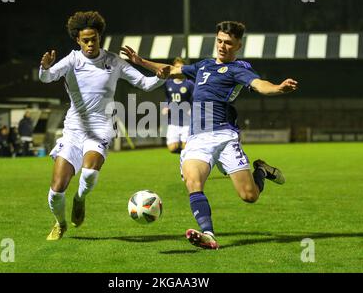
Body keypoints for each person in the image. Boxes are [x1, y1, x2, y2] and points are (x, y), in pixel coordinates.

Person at [121, 21, 298, 249]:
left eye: (229, 43)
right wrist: (141, 62)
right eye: (220, 41)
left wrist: (278, 88)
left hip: (224, 135)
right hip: (197, 138)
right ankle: (208, 234)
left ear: (238, 45)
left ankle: (261, 170)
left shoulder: (238, 70)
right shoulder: (203, 65)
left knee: (249, 196)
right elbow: (170, 70)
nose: (223, 46)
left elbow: (259, 84)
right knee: (193, 182)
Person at [39, 11, 166, 240]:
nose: (90, 44)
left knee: (88, 173)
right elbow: (46, 78)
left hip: (101, 127)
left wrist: (160, 76)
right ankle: (60, 223)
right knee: (57, 189)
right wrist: (45, 68)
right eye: (85, 40)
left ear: (100, 38)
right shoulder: (72, 61)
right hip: (74, 129)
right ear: (77, 40)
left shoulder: (113, 61)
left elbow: (144, 84)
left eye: (94, 39)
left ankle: (80, 198)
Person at [161, 57, 194, 153]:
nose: (178, 69)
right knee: (172, 148)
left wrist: (192, 108)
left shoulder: (189, 84)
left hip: (187, 121)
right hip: (173, 120)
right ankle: (184, 152)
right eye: (176, 67)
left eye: (181, 67)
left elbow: (195, 99)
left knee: (186, 147)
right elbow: (167, 98)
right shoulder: (168, 84)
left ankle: (186, 156)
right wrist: (166, 107)